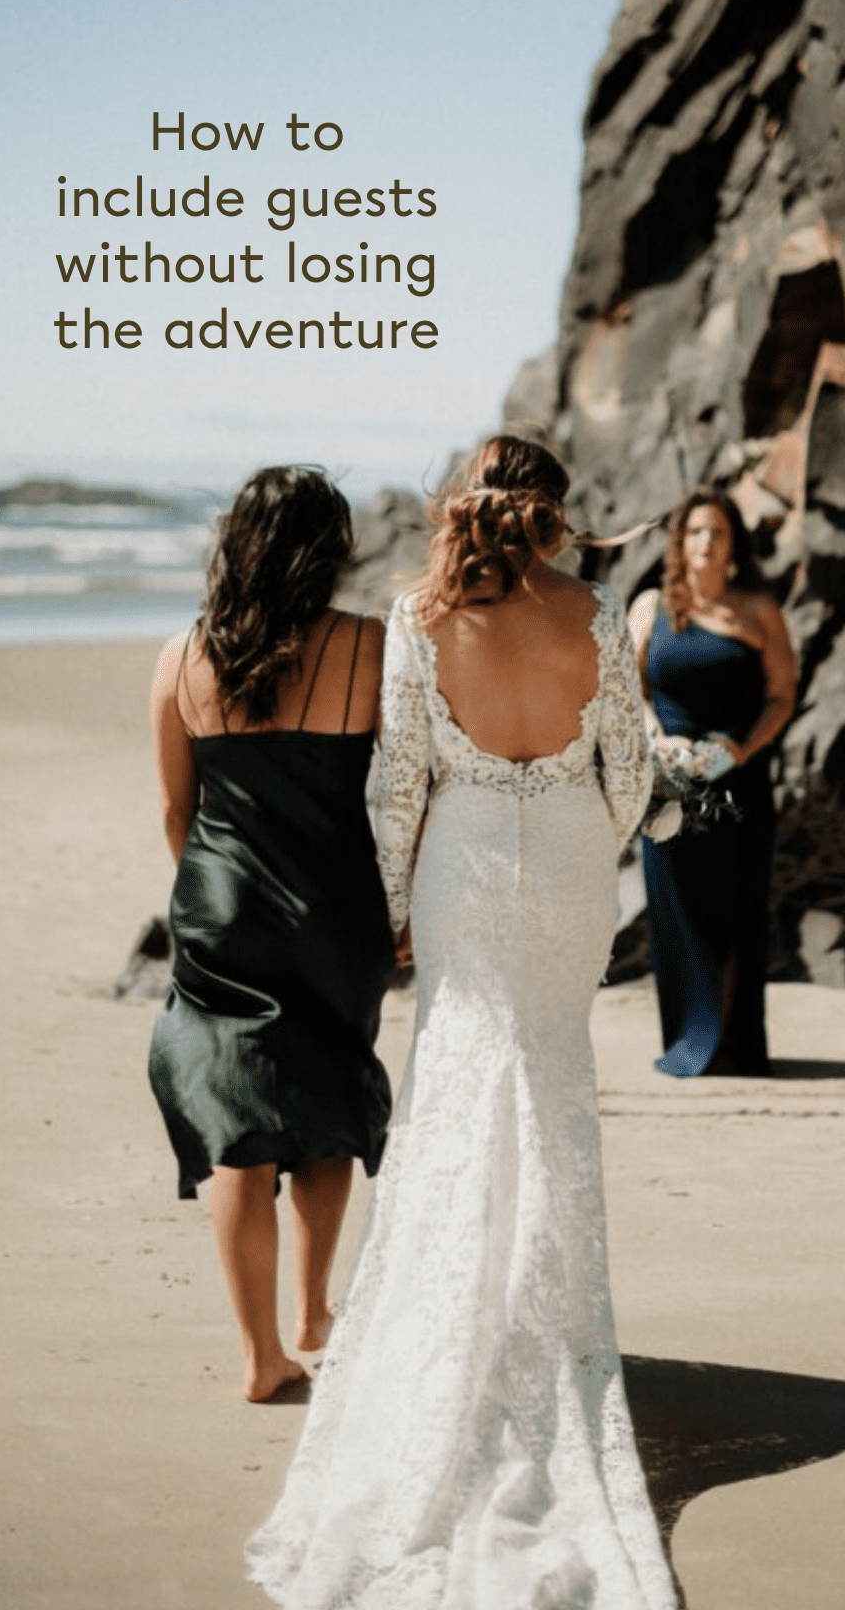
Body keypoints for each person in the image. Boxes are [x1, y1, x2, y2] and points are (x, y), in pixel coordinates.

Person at [247, 436, 676, 1610]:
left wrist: (393, 907)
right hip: (572, 874)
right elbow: (629, 773)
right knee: (549, 1086)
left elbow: (401, 787)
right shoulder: (595, 611)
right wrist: (590, 827)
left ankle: (455, 1334)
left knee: (457, 1085)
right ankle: (546, 1335)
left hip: (467, 873)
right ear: (553, 514)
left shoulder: (420, 616)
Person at [148, 466, 394, 1401]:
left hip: (221, 906)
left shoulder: (181, 657)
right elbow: (400, 792)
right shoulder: (370, 647)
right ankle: (313, 1311)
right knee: (328, 1102)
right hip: (336, 906)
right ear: (330, 551)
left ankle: (259, 1357)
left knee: (238, 1129)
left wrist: (208, 902)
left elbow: (177, 809)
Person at [627, 489, 797, 1078]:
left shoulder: (757, 611)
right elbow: (630, 693)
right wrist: (657, 740)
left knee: (734, 911)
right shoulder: (651, 606)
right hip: (670, 784)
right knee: (675, 913)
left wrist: (744, 749)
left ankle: (730, 1045)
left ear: (734, 546)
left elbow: (782, 695)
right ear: (679, 543)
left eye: (718, 533)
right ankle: (688, 1042)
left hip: (737, 783)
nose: (705, 543)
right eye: (695, 532)